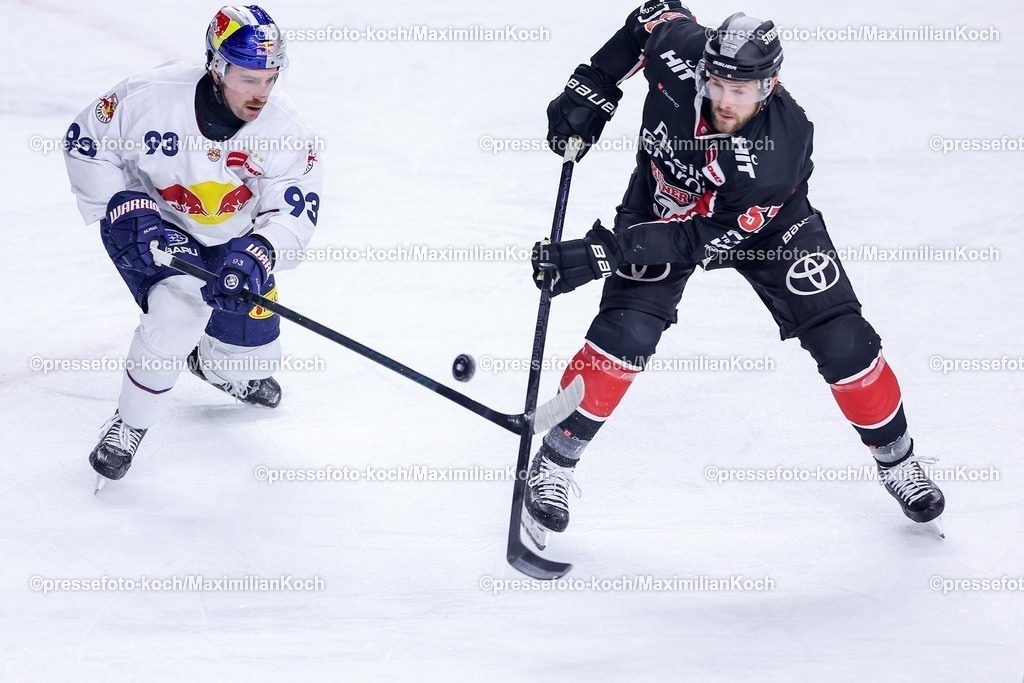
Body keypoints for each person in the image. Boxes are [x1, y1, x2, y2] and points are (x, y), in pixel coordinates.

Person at [524, 3, 944, 546]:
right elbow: (649, 18)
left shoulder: (778, 148)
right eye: (718, 82)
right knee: (625, 334)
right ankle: (554, 463)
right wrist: (594, 86)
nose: (725, 99)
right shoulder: (678, 48)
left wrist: (602, 253)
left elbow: (697, 240)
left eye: (741, 89)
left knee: (844, 342)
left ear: (770, 85)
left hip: (767, 227)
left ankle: (898, 461)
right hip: (662, 204)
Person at [64, 5, 322, 483]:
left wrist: (262, 249)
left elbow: (295, 208)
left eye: (270, 78)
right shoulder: (150, 96)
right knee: (176, 315)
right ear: (216, 65)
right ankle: (130, 421)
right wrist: (118, 204)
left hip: (233, 241)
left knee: (250, 358)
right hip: (153, 229)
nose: (260, 93)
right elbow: (85, 142)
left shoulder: (287, 129)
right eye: (248, 78)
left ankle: (211, 363)